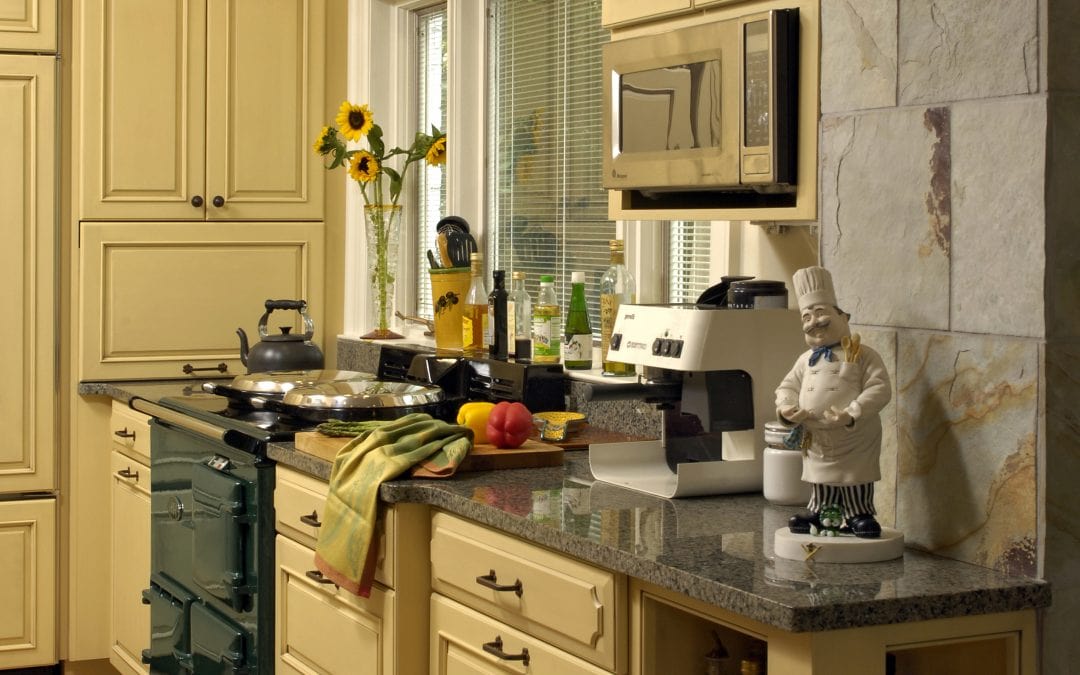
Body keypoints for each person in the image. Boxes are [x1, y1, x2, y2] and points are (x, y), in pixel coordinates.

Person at [775, 266, 892, 538]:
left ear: (843, 316)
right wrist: (786, 409)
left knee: (854, 475)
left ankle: (858, 514)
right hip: (815, 434)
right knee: (821, 476)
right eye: (806, 317)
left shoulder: (864, 355)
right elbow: (787, 387)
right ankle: (820, 512)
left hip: (855, 434)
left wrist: (852, 413)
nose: (813, 321)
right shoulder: (805, 360)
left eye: (820, 313)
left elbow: (880, 388)